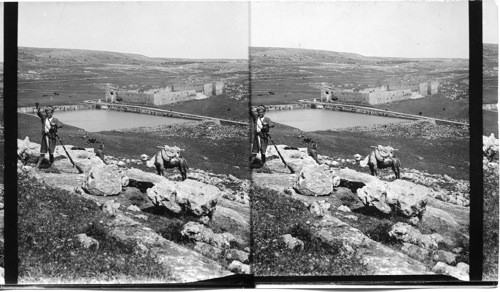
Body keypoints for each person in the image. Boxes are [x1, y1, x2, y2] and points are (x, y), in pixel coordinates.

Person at [35, 103, 63, 168]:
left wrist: (55, 124)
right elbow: (39, 113)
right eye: (47, 112)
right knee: (42, 152)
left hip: (52, 138)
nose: (48, 114)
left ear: (52, 113)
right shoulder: (44, 118)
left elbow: (61, 125)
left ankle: (51, 164)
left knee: (51, 152)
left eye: (49, 112)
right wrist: (37, 107)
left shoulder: (55, 119)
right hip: (45, 137)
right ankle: (37, 166)